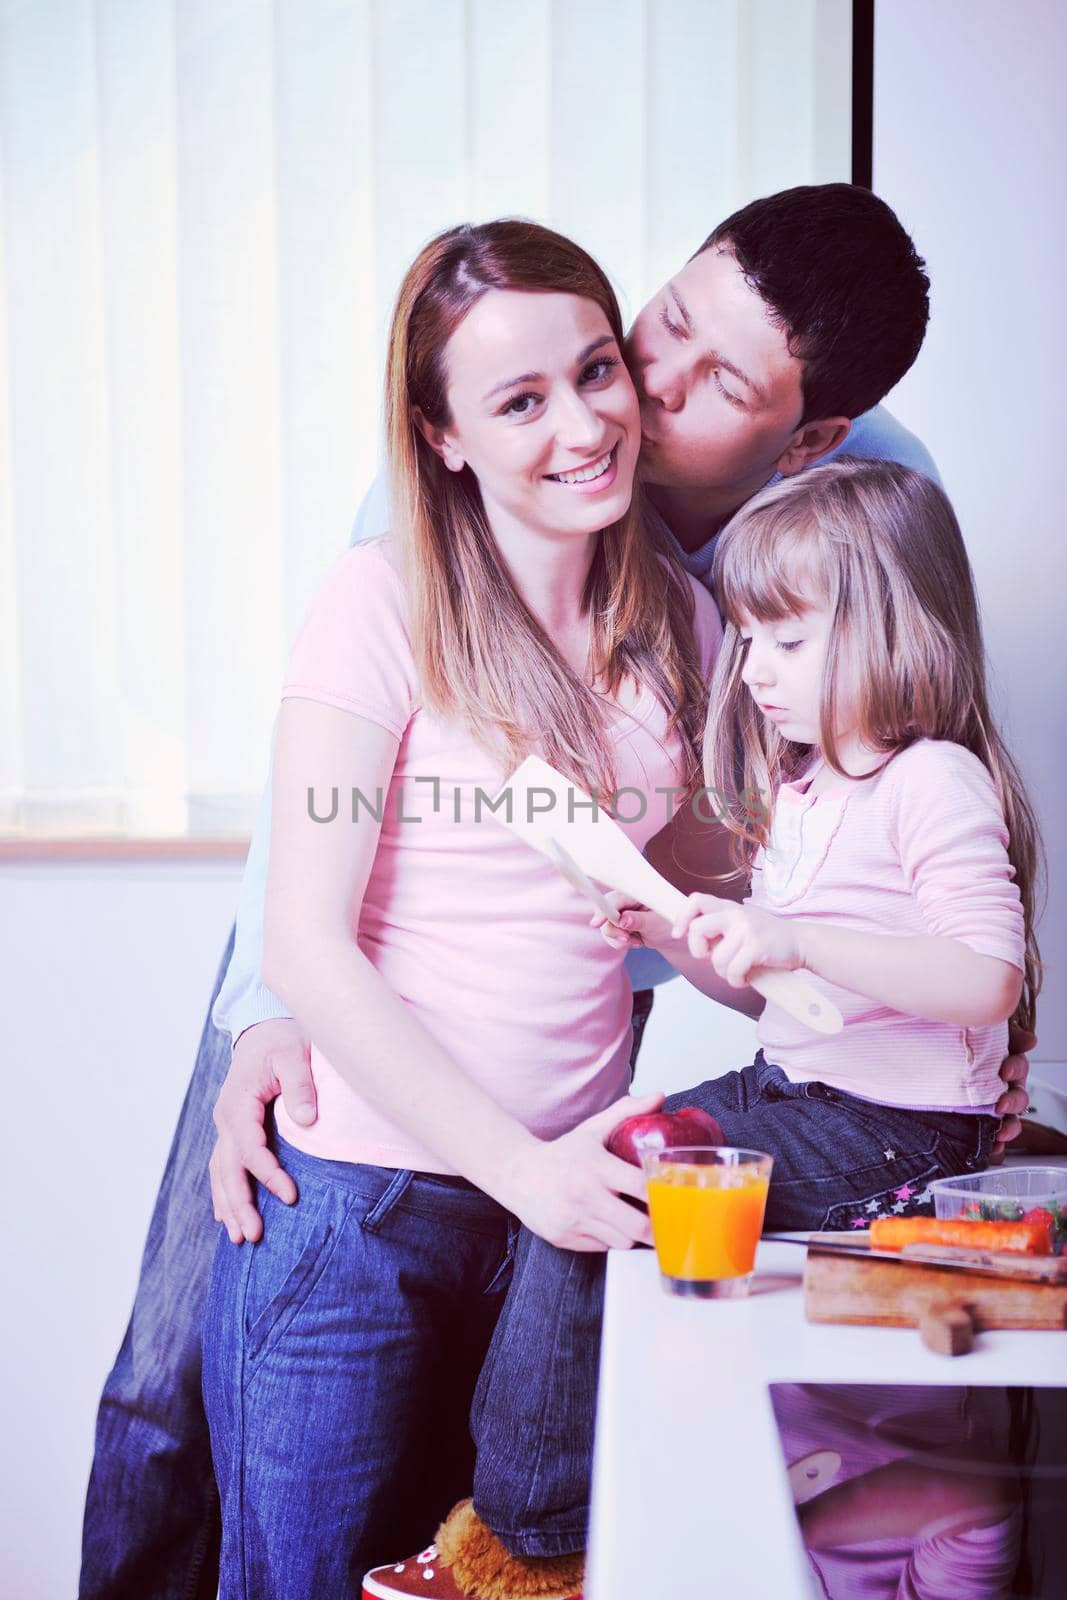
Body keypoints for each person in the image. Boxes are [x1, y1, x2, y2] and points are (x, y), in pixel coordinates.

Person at [78, 186, 1032, 1600]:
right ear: (449, 438)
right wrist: (269, 1009)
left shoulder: (792, 549)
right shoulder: (403, 557)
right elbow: (318, 866)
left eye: (696, 380)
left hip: (550, 1098)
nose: (626, 397)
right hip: (358, 1119)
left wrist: (864, 987)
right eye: (657, 327)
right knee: (175, 1411)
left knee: (438, 1502)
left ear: (803, 438)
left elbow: (844, 808)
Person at [364, 458, 1043, 1598]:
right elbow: (783, 999)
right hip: (809, 1093)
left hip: (905, 1133)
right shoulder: (811, 790)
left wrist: (797, 939)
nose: (752, 671)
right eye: (744, 637)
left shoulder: (933, 782)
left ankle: (531, 1541)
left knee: (619, 1185)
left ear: (887, 629)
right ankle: (540, 1518)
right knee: (594, 1160)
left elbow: (984, 977)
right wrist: (678, 933)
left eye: (785, 640)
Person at [198, 216, 723, 1595]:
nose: (581, 425)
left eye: (596, 370)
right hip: (355, 1219)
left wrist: (749, 947)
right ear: (441, 438)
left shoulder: (688, 627)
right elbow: (308, 944)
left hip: (555, 1237)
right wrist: (526, 1171)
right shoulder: (377, 606)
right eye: (519, 400)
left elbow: (725, 933)